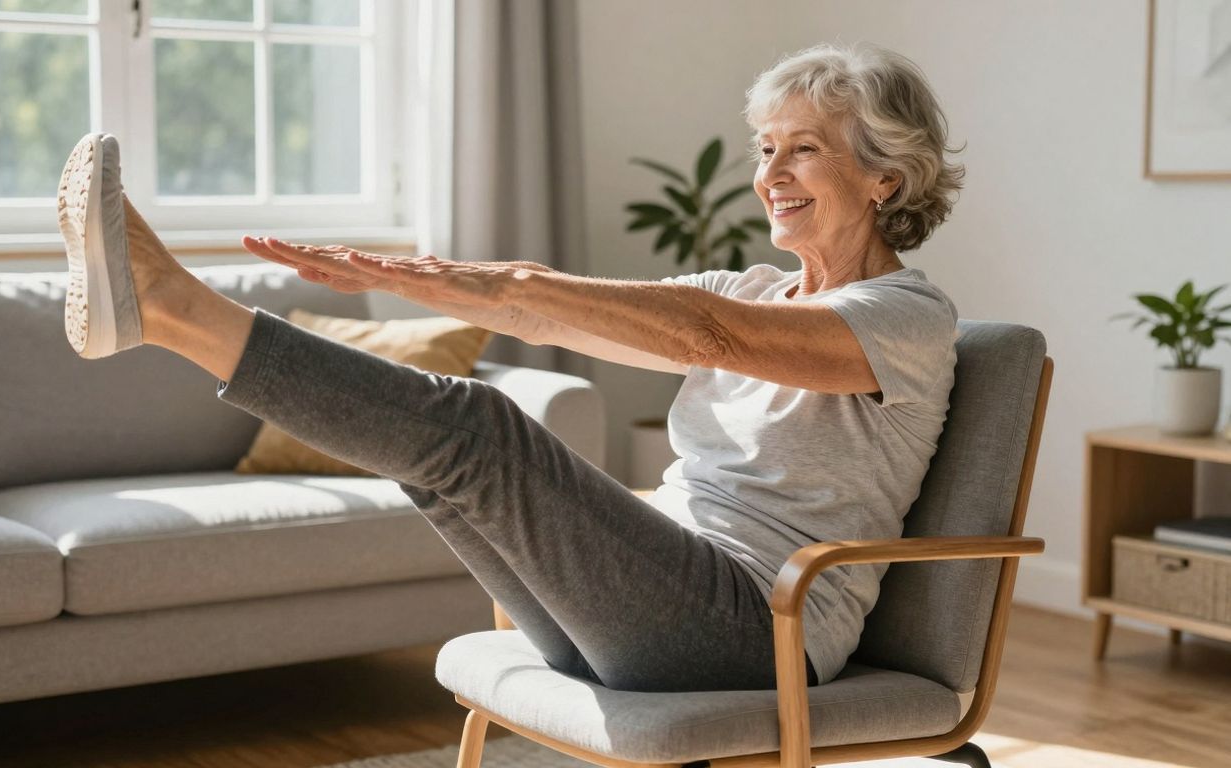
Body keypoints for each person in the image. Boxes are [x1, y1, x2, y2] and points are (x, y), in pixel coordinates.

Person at [56, 41, 962, 693]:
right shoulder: (754, 285)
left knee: (478, 428)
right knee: (430, 456)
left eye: (803, 147)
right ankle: (169, 314)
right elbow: (553, 314)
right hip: (641, 610)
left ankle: (174, 312)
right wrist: (423, 282)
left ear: (885, 176)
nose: (772, 173)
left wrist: (509, 279)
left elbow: (704, 336)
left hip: (758, 629)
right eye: (766, 149)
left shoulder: (905, 319)